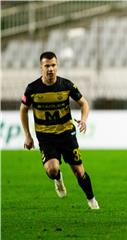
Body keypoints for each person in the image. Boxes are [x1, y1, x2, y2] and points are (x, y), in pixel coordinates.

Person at [20, 51, 99, 209]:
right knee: (52, 170)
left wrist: (83, 120)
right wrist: (27, 135)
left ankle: (92, 201)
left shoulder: (66, 85)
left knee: (79, 171)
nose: (51, 69)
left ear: (57, 66)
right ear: (41, 67)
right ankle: (58, 178)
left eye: (53, 65)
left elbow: (84, 104)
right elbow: (23, 110)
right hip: (46, 137)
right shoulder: (32, 89)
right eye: (47, 66)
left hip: (66, 135)